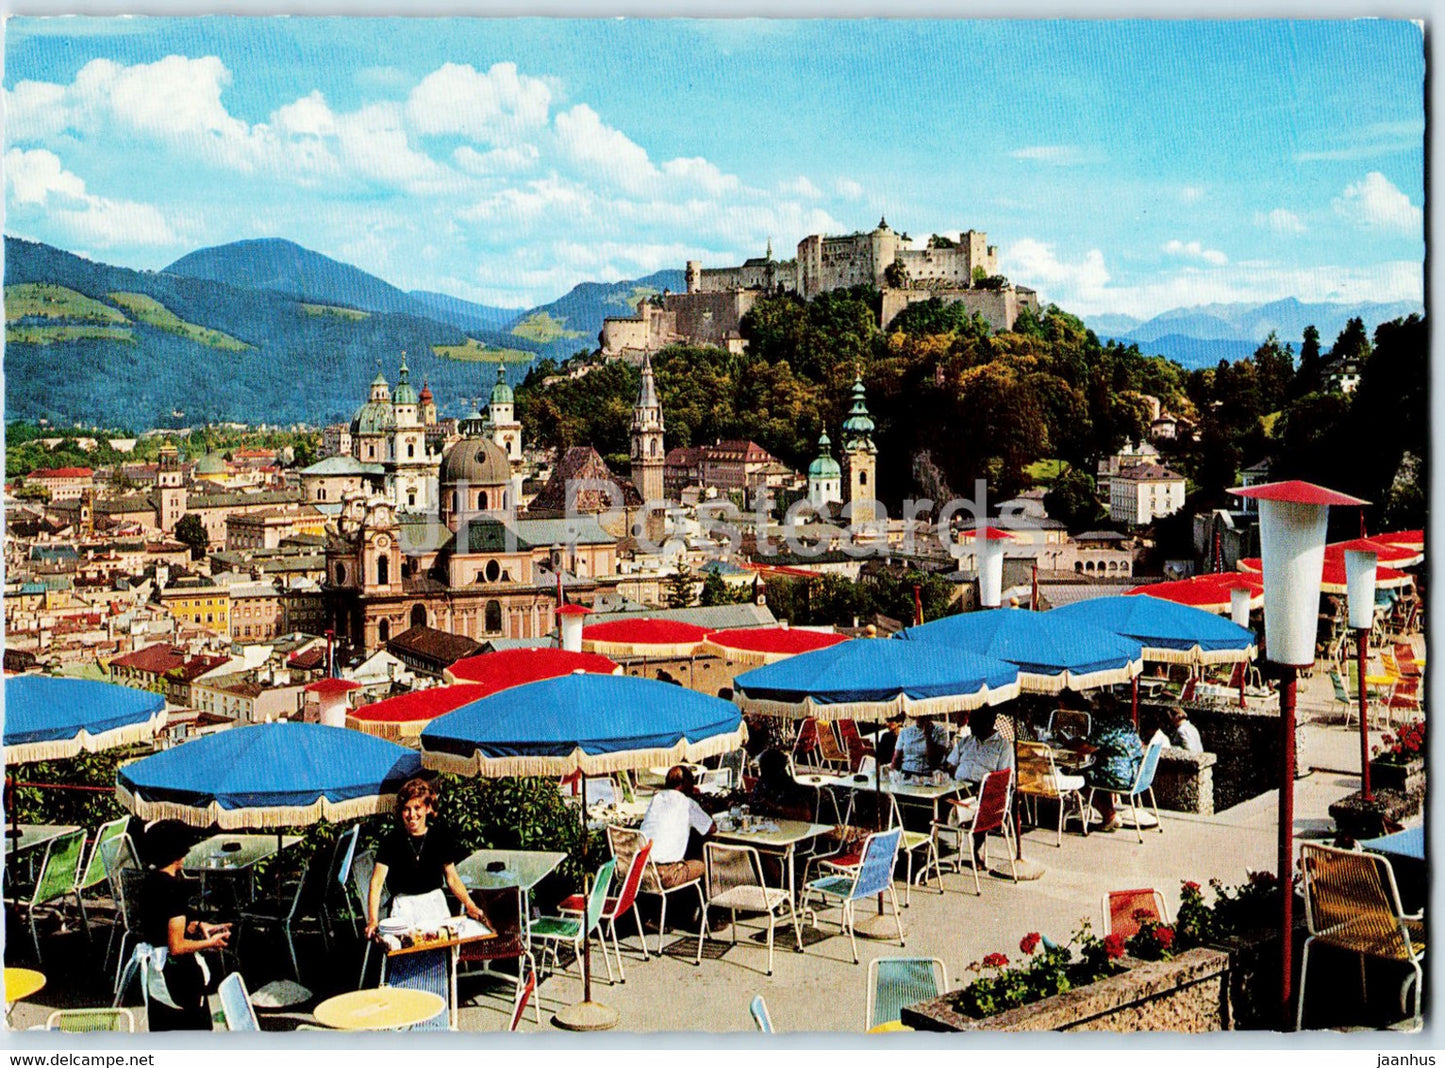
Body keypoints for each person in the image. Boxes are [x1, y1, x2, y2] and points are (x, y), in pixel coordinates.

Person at [366, 777, 487, 939]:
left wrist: (470, 905)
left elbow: (452, 879)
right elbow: (376, 882)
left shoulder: (439, 837)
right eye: (406, 809)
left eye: (417, 808)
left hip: (435, 906)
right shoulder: (391, 840)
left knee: (439, 957)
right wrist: (373, 920)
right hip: (404, 909)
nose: (412, 815)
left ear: (428, 808)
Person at [140, 820, 230, 1031]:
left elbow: (164, 923)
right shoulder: (174, 890)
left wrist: (199, 925)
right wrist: (209, 943)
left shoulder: (151, 881)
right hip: (177, 975)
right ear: (177, 854)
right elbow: (177, 946)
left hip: (156, 967)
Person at [639, 765, 715, 887]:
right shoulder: (687, 803)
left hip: (641, 871)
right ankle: (702, 901)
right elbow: (711, 828)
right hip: (665, 875)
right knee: (705, 860)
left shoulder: (656, 799)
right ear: (683, 784)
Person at [1079, 697, 1145, 832]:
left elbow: (1087, 748)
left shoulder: (1107, 727)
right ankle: (1110, 812)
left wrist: (1067, 742)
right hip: (1137, 775)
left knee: (1080, 778)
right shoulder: (1127, 724)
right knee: (1100, 769)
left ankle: (1109, 815)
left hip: (1120, 777)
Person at [946, 709, 1014, 786]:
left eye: (973, 722)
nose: (968, 725)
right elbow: (951, 764)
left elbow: (1003, 778)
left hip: (983, 791)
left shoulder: (1003, 746)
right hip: (959, 786)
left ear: (988, 723)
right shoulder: (966, 741)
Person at [748, 748, 814, 822]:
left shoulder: (790, 787)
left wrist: (773, 807)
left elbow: (806, 815)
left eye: (764, 769)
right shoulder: (763, 783)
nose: (761, 773)